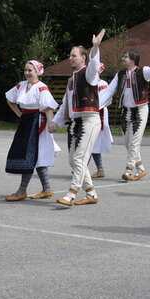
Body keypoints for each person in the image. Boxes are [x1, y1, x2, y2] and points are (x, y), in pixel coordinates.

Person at [50, 29, 105, 206]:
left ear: (83, 58)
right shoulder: (71, 79)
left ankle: (72, 193)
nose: (70, 58)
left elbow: (94, 66)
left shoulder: (89, 74)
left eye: (74, 55)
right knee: (73, 160)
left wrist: (96, 48)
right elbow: (65, 104)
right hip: (75, 122)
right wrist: (56, 122)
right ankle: (91, 193)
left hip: (89, 120)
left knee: (79, 159)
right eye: (70, 55)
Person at [107, 48, 150, 181]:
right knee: (128, 143)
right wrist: (97, 105)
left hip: (140, 111)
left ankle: (128, 169)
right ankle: (140, 168)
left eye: (125, 57)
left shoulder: (144, 72)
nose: (123, 58)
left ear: (133, 59)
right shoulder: (120, 74)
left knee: (134, 142)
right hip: (126, 111)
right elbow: (109, 91)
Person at [4, 60, 60, 201]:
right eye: (26, 70)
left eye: (30, 70)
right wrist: (19, 113)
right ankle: (46, 188)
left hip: (37, 124)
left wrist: (51, 124)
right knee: (33, 155)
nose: (27, 73)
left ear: (37, 71)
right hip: (26, 121)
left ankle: (22, 190)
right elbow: (9, 99)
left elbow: (48, 107)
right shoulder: (21, 85)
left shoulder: (42, 87)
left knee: (31, 156)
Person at [89, 63, 114, 179]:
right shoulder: (88, 83)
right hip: (90, 112)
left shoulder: (102, 84)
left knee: (91, 142)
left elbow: (107, 99)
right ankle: (99, 169)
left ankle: (83, 168)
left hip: (99, 114)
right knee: (92, 142)